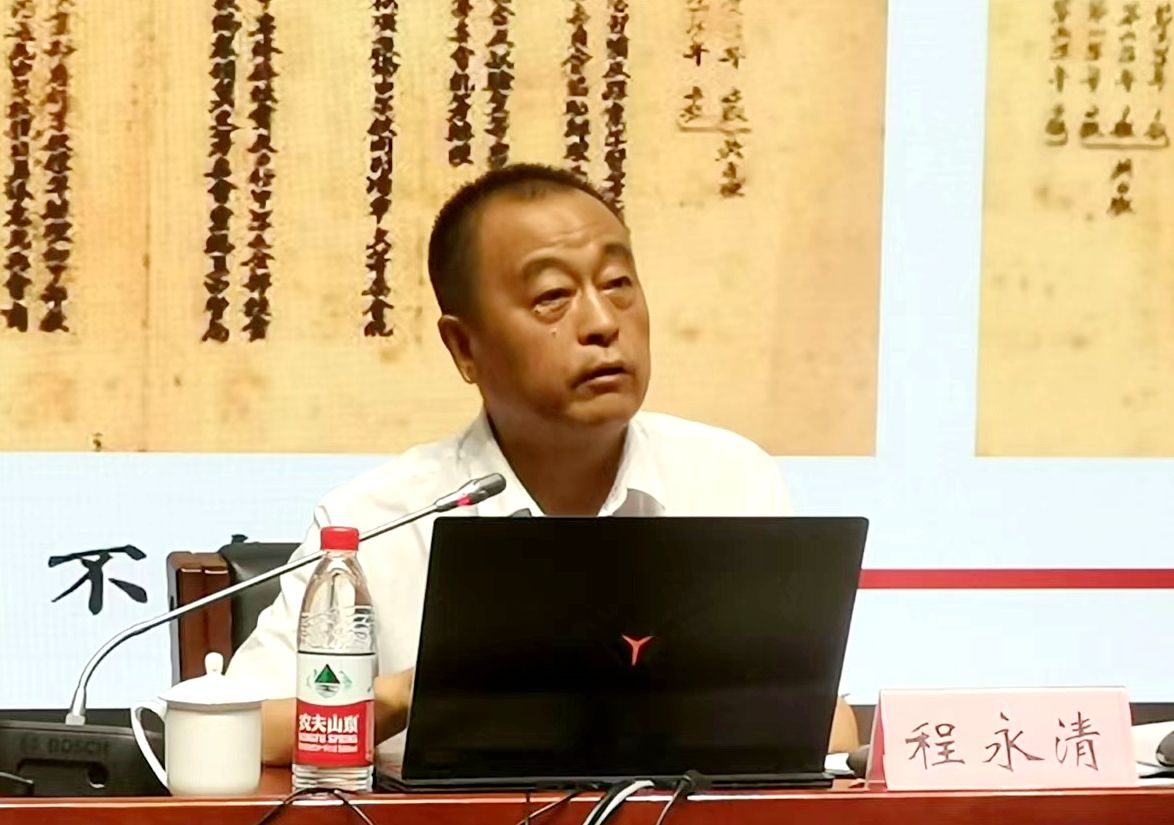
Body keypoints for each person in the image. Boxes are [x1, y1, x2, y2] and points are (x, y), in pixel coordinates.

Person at [228, 163, 859, 765]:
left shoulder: (728, 480)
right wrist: (407, 694)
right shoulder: (380, 519)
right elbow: (238, 728)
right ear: (464, 346)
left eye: (619, 284)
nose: (603, 323)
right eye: (553, 295)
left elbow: (830, 727)